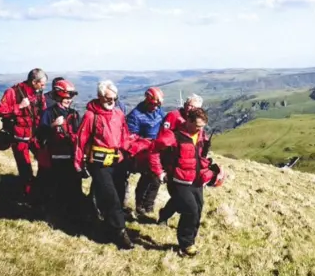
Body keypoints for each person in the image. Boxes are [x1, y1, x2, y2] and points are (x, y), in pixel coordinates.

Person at [149, 108, 223, 257]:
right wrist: (159, 172)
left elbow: (198, 155)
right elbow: (154, 151)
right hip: (178, 180)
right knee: (191, 210)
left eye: (202, 126)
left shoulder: (201, 135)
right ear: (188, 121)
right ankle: (186, 244)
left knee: (199, 209)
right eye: (197, 126)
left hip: (196, 179)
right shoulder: (173, 136)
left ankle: (191, 239)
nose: (200, 129)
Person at [74, 79, 134, 249]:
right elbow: (81, 140)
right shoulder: (90, 116)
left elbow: (124, 135)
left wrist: (125, 153)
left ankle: (107, 227)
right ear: (100, 96)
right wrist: (78, 163)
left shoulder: (119, 114)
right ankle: (121, 233)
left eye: (114, 98)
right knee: (111, 198)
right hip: (98, 163)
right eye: (108, 98)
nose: (111, 102)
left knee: (119, 195)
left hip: (118, 162)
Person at [156, 93, 212, 225]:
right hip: (176, 166)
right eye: (190, 106)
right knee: (182, 199)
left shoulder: (198, 123)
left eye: (194, 107)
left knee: (184, 200)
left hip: (193, 167)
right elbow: (163, 140)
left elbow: (199, 142)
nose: (191, 109)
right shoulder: (174, 117)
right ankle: (171, 221)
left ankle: (164, 215)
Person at [0, 68, 48, 199]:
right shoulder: (12, 92)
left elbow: (43, 111)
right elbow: (0, 110)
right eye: (42, 83)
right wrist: (19, 107)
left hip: (34, 136)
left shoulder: (39, 94)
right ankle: (29, 196)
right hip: (19, 138)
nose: (44, 86)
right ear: (34, 81)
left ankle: (42, 189)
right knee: (25, 169)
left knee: (45, 161)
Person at [37, 79, 83, 216]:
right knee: (53, 187)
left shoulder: (74, 114)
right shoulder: (48, 113)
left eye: (70, 98)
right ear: (58, 97)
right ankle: (52, 213)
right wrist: (53, 126)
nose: (68, 101)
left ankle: (71, 214)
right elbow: (40, 135)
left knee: (72, 188)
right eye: (65, 98)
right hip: (54, 158)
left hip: (71, 156)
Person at [126, 87, 166, 215]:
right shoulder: (136, 115)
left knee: (156, 179)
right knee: (147, 177)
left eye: (158, 105)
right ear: (148, 101)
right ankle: (140, 205)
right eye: (154, 104)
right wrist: (145, 141)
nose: (156, 107)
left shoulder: (159, 111)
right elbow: (131, 136)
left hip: (157, 149)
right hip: (143, 151)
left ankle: (149, 205)